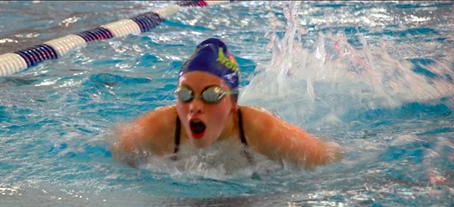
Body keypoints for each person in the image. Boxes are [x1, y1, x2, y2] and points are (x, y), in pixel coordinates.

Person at [112, 38, 342, 169]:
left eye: (211, 95)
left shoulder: (263, 130)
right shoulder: (153, 130)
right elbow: (115, 162)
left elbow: (330, 161)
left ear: (233, 103)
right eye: (185, 94)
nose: (195, 106)